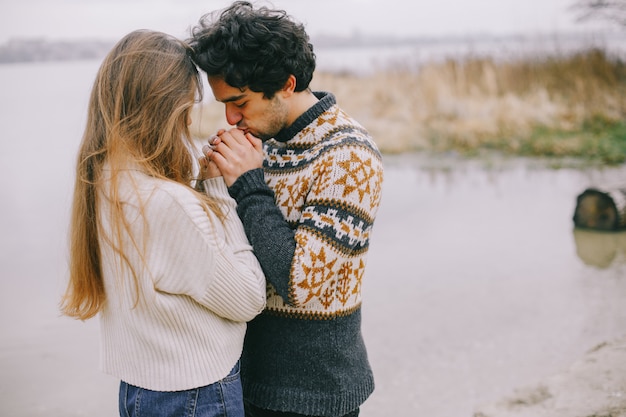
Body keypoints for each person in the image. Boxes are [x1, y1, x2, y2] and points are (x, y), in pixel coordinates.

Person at [188, 2, 384, 416]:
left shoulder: (349, 156)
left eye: (239, 101)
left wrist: (248, 184)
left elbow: (300, 284)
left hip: (314, 395)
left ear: (287, 84)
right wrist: (205, 183)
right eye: (223, 102)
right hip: (241, 380)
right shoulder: (261, 144)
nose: (230, 117)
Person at [59, 29, 266, 417]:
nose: (191, 118)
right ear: (168, 109)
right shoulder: (168, 204)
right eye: (189, 104)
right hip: (195, 396)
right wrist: (218, 191)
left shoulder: (103, 180)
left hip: (140, 392)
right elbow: (249, 298)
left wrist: (199, 183)